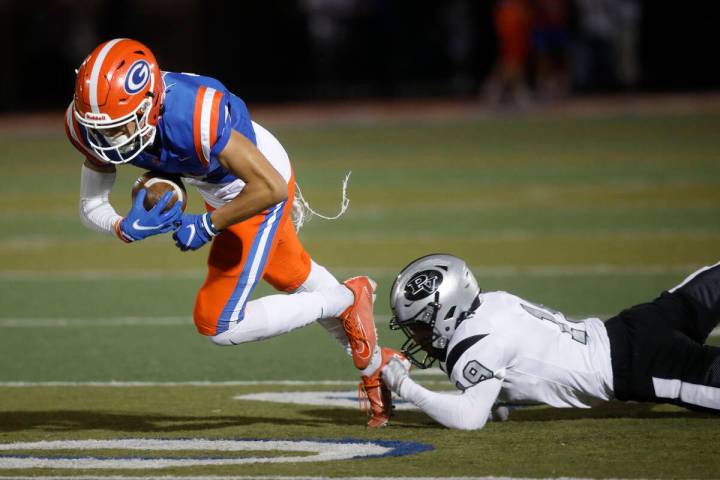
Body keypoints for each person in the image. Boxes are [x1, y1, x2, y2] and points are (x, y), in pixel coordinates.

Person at [64, 38, 399, 427]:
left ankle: (346, 297)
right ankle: (377, 366)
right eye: (102, 129)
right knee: (292, 275)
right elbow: (91, 207)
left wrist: (208, 224)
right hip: (210, 179)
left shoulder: (195, 115)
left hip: (250, 183)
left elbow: (270, 187)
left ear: (152, 102)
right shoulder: (90, 123)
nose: (112, 140)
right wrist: (121, 227)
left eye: (123, 126)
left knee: (219, 323)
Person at [381, 253, 720, 430]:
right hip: (635, 324)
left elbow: (468, 418)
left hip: (640, 364)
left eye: (421, 327)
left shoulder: (473, 343)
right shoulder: (493, 301)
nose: (418, 337)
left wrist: (403, 386)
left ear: (448, 310)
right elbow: (529, 368)